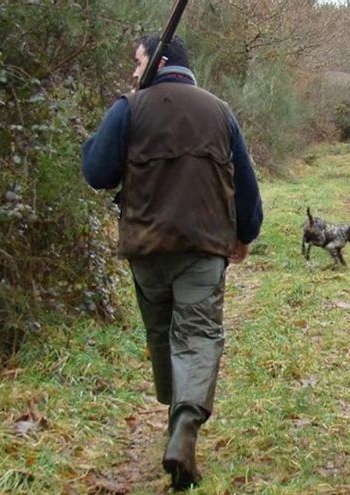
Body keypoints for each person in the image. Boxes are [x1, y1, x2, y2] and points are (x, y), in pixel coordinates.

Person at [81, 35, 263, 490]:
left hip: (147, 249)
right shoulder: (219, 111)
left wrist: (100, 135)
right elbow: (245, 183)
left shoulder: (130, 107)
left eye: (137, 61)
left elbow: (97, 174)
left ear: (158, 62)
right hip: (203, 247)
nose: (132, 71)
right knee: (198, 335)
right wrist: (246, 233)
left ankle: (174, 416)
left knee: (162, 334)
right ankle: (185, 424)